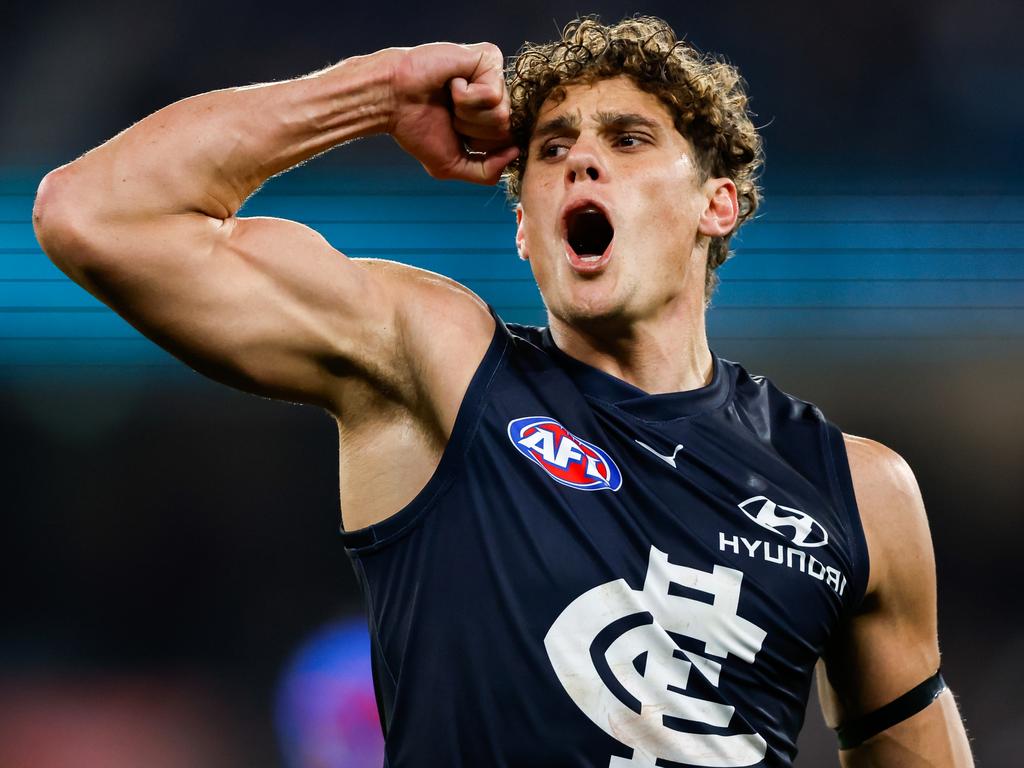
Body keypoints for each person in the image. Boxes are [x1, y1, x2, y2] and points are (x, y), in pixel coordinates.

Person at [33, 15, 973, 768]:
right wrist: (378, 89)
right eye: (552, 148)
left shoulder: (857, 492)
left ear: (714, 204)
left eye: (629, 138)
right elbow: (95, 215)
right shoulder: (439, 368)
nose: (582, 161)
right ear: (525, 228)